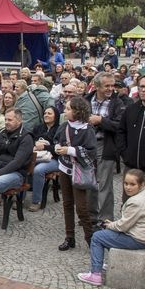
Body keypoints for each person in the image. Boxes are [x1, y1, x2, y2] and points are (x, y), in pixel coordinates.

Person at [77, 169, 145, 286]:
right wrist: (112, 225)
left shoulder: (136, 201)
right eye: (126, 183)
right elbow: (129, 222)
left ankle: (95, 274)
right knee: (107, 235)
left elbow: (123, 226)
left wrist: (110, 225)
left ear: (141, 185)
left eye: (132, 184)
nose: (128, 187)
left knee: (97, 237)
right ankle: (109, 262)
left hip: (138, 239)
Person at [55, 97, 97, 251]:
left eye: (68, 109)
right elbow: (56, 140)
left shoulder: (88, 129)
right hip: (64, 168)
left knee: (81, 207)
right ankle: (69, 236)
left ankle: (90, 238)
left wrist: (70, 150)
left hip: (79, 172)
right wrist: (57, 147)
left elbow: (91, 153)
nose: (65, 111)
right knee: (67, 204)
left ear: (77, 111)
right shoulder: (64, 126)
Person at [86, 71, 126, 221]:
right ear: (96, 86)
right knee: (89, 181)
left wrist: (100, 121)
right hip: (88, 145)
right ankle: (91, 215)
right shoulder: (86, 100)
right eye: (106, 86)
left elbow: (120, 125)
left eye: (112, 85)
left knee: (104, 184)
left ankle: (106, 218)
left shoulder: (118, 103)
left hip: (106, 144)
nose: (110, 89)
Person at [28, 106, 61, 212]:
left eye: (49, 113)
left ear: (56, 116)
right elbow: (29, 140)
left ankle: (36, 201)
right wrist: (35, 143)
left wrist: (45, 147)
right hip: (37, 156)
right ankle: (20, 198)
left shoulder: (60, 129)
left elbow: (60, 149)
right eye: (45, 113)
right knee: (22, 164)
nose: (46, 115)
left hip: (54, 159)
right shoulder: (38, 127)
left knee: (39, 170)